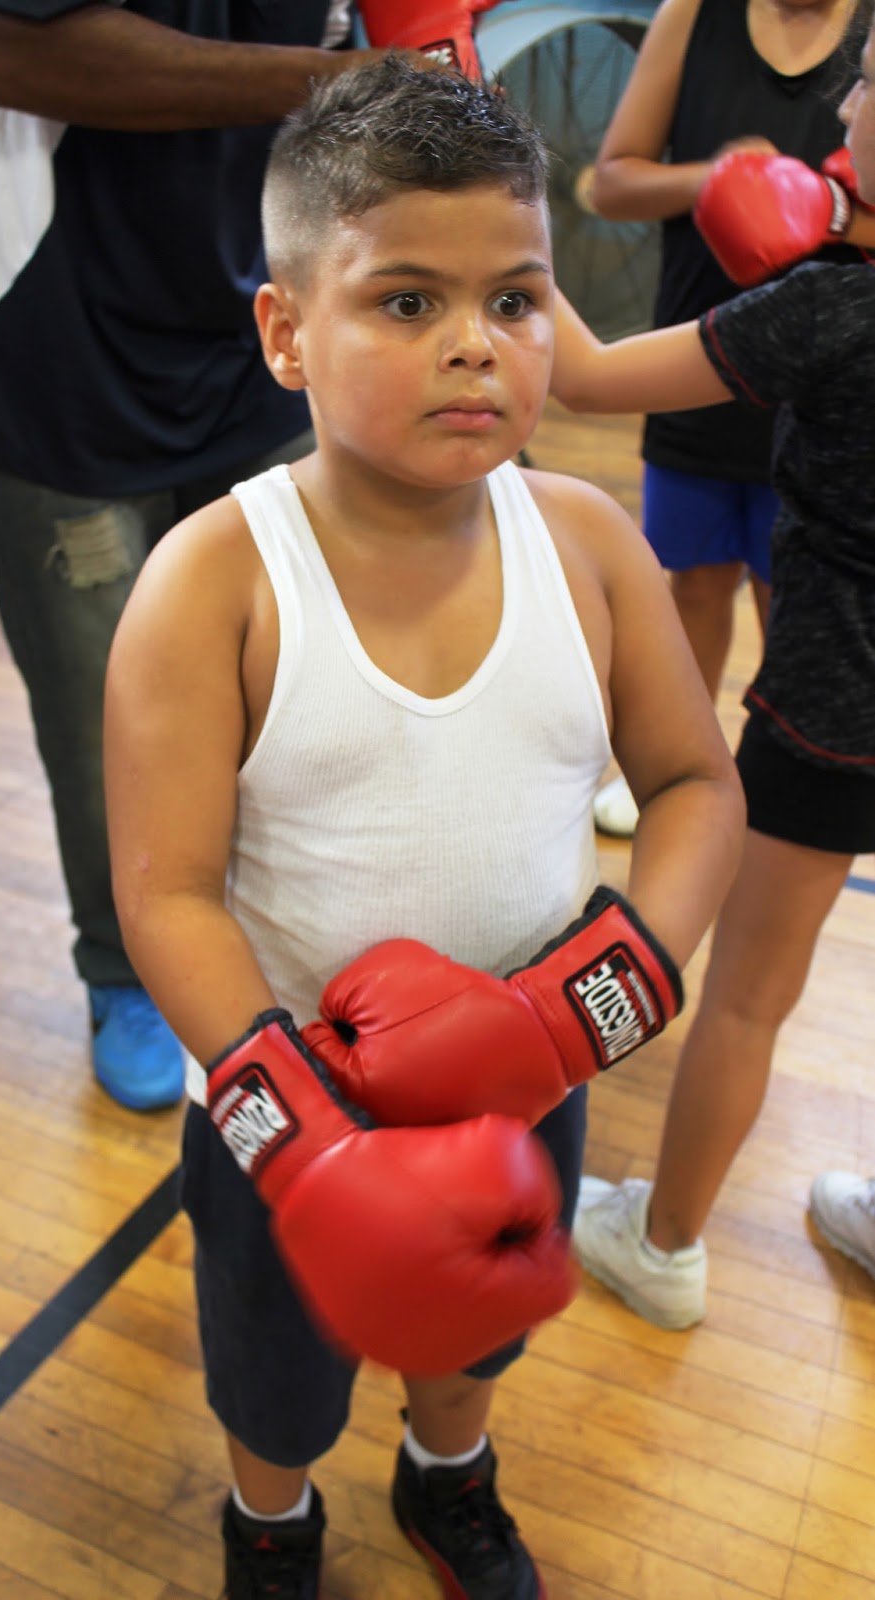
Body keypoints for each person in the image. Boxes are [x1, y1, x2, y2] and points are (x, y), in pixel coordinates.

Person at [103, 58, 744, 1599]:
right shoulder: (216, 581)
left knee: (478, 1337)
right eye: (403, 302)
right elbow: (168, 896)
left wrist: (568, 1022)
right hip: (289, 1100)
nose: (474, 345)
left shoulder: (586, 544)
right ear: (284, 331)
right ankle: (271, 1520)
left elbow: (692, 786)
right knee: (276, 1382)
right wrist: (312, 1148)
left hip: (531, 1077)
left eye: (515, 301)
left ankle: (449, 1475)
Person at [0, 0, 425, 1112]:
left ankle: (278, 941)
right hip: (54, 330)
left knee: (304, 666)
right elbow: (9, 52)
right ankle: (123, 969)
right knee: (107, 709)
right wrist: (343, 81)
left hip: (248, 304)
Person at [547, 12, 875, 1327]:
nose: (847, 99)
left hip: (836, 706)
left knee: (744, 996)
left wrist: (505, 216)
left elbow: (583, 376)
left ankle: (664, 1245)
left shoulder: (832, 310)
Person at [587, 0, 875, 838]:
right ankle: (671, 769)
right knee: (691, 583)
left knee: (793, 587)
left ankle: (771, 775)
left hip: (824, 381)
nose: (850, 102)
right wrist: (723, 180)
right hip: (698, 347)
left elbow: (579, 378)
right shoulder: (696, 14)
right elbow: (612, 182)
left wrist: (818, 204)